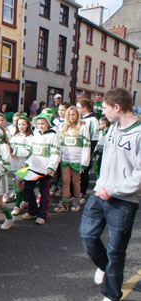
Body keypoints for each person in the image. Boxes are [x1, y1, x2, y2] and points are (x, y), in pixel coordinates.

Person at [79, 88, 141, 301]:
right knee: (87, 236)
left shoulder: (139, 133)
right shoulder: (112, 128)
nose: (102, 112)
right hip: (99, 193)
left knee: (116, 251)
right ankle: (106, 267)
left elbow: (139, 175)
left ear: (117, 107)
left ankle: (111, 295)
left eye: (104, 108)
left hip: (123, 201)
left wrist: (112, 189)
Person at [22, 111, 60, 225]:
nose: (40, 126)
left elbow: (55, 153)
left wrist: (51, 167)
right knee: (27, 188)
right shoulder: (36, 133)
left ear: (48, 124)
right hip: (33, 167)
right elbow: (32, 152)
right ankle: (32, 210)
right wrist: (27, 163)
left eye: (43, 123)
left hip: (45, 169)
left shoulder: (53, 136)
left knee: (44, 193)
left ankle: (42, 214)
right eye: (38, 123)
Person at [53, 106, 91, 213]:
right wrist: (57, 158)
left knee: (75, 182)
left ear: (77, 116)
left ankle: (76, 202)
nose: (71, 117)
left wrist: (84, 162)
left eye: (73, 114)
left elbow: (87, 146)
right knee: (65, 181)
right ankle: (64, 203)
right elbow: (58, 144)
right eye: (69, 115)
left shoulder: (83, 127)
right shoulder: (62, 127)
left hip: (77, 160)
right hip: (65, 159)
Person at [77, 99, 100, 205]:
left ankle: (82, 193)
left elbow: (93, 139)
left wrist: (89, 154)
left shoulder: (92, 120)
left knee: (84, 171)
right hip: (78, 149)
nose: (77, 109)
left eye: (78, 107)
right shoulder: (81, 119)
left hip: (87, 149)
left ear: (84, 108)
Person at [9, 114, 33, 215]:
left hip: (24, 164)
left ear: (28, 125)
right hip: (14, 163)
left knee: (19, 183)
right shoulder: (15, 135)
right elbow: (10, 146)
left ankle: (17, 205)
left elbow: (29, 151)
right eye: (19, 124)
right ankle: (26, 201)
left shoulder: (31, 137)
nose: (21, 126)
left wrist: (16, 151)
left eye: (23, 124)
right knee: (17, 183)